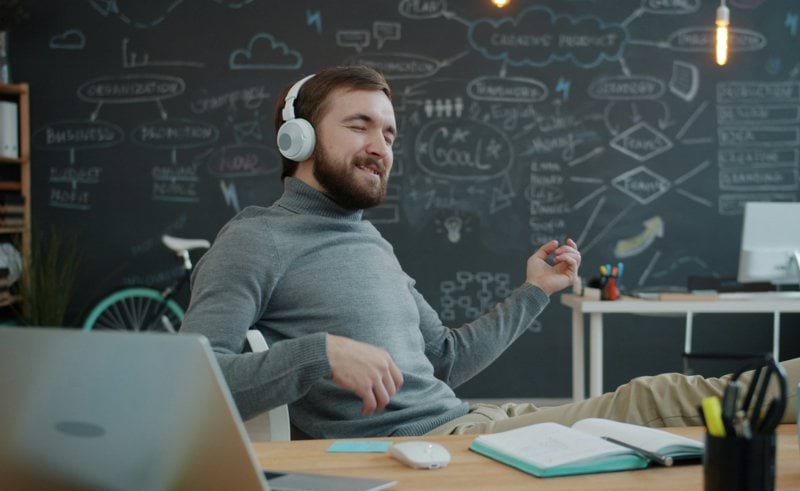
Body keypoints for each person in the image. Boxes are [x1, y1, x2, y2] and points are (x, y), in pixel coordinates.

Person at [180, 65, 798, 438]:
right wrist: (317, 355)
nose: (382, 146)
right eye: (360, 125)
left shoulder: (368, 240)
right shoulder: (256, 238)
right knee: (648, 400)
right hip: (430, 447)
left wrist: (535, 293)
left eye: (390, 133)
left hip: (470, 422)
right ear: (300, 137)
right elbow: (192, 386)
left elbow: (443, 359)